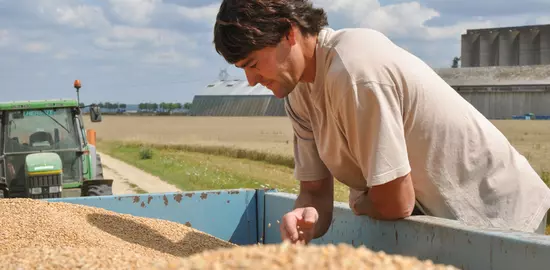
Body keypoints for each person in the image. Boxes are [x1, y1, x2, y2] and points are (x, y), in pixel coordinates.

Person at [212, 0, 550, 244]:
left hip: (498, 215)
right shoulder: (298, 91)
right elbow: (314, 191)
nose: (251, 80)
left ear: (288, 33)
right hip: (448, 224)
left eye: (253, 63)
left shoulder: (354, 70)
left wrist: (360, 202)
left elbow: (394, 202)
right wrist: (307, 217)